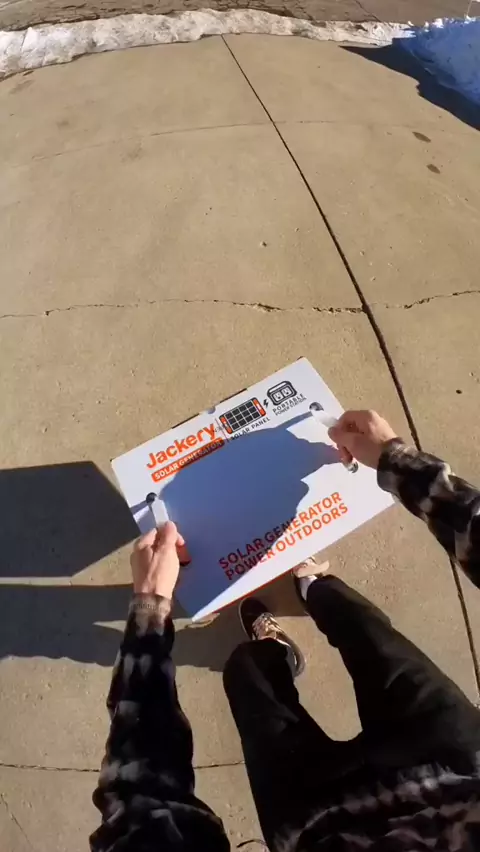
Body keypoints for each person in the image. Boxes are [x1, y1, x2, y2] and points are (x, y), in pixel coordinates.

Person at [90, 410, 480, 852]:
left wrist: (150, 609)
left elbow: (143, 816)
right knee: (368, 633)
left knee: (249, 675)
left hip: (311, 819)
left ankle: (272, 646)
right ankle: (314, 585)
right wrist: (401, 464)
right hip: (454, 759)